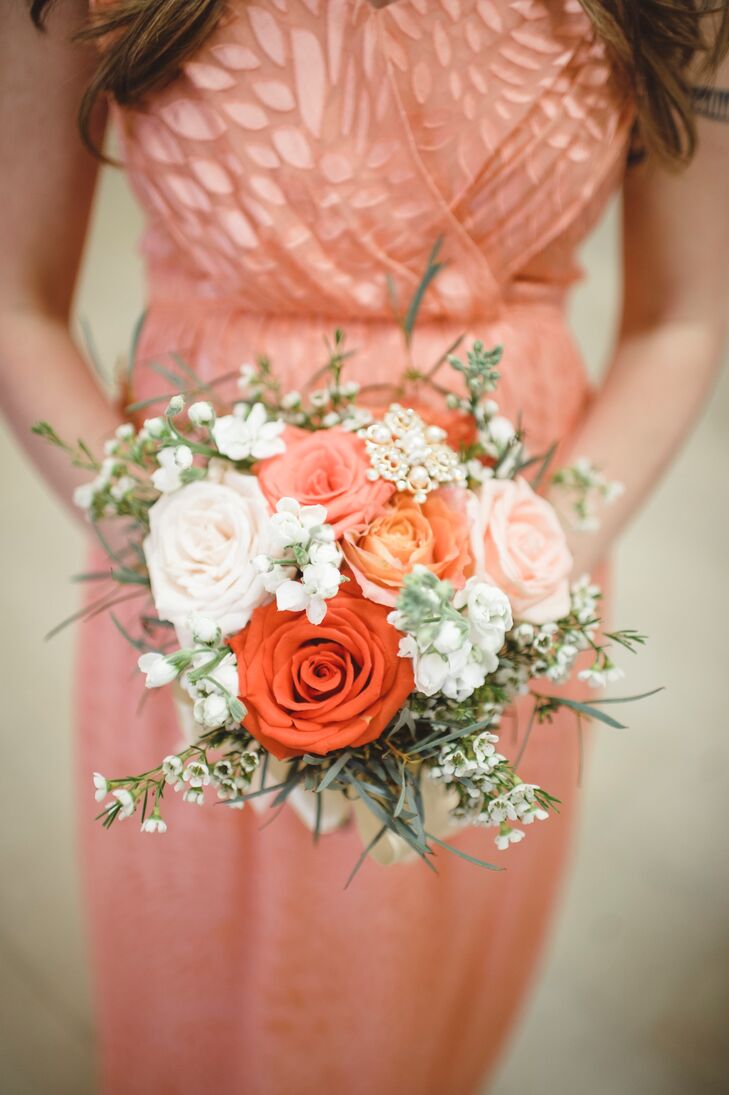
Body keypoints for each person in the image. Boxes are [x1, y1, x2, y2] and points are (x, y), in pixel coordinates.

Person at [1, 2, 728, 1092]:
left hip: (506, 567)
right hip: (191, 554)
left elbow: (683, 317)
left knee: (411, 1004)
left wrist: (520, 585)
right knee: (195, 995)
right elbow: (14, 301)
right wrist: (192, 575)